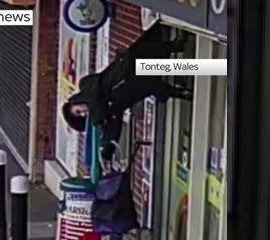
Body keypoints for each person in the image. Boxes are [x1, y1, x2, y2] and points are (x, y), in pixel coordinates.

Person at [62, 24, 192, 161]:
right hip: (144, 82)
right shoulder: (108, 111)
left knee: (169, 54)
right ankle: (186, 88)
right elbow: (113, 128)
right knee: (191, 69)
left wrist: (98, 118)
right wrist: (107, 150)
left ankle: (180, 41)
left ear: (76, 101)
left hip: (135, 65)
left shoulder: (86, 86)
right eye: (82, 115)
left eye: (78, 110)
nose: (84, 111)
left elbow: (95, 97)